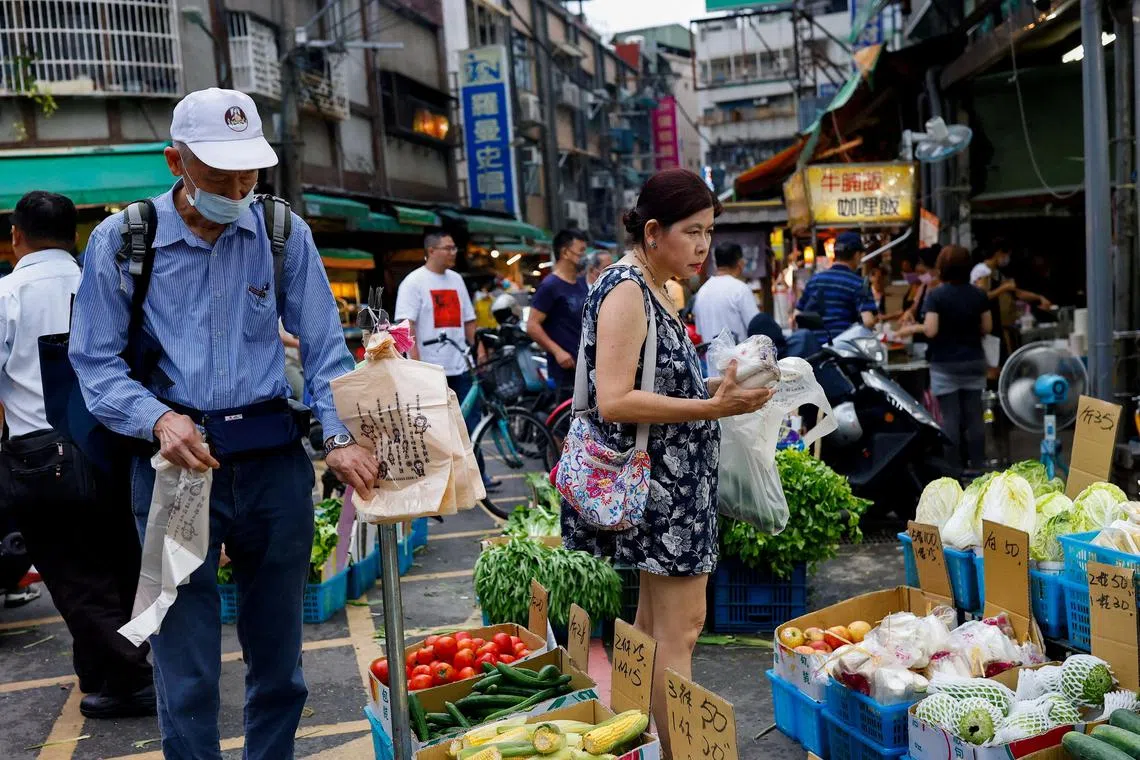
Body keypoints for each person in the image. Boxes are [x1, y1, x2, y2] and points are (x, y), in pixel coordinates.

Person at [70, 88, 378, 757]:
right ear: (174, 160)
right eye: (218, 177)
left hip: (273, 464)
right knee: (186, 668)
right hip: (174, 470)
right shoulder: (123, 241)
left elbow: (325, 348)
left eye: (248, 174)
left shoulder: (281, 231)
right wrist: (158, 419)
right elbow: (93, 363)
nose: (237, 191)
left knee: (281, 662)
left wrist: (338, 436)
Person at [561, 168, 772, 758]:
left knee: (656, 629)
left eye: (709, 232)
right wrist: (712, 405)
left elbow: (655, 383)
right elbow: (614, 398)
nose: (704, 245)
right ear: (653, 232)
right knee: (682, 629)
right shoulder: (629, 289)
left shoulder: (657, 286)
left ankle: (647, 741)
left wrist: (718, 390)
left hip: (671, 484)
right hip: (661, 491)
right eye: (692, 231)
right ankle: (680, 751)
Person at [1, 191, 156, 718]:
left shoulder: (8, 294)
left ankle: (132, 679)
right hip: (113, 446)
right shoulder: (104, 283)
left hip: (40, 457)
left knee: (74, 578)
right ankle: (104, 674)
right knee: (120, 563)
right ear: (75, 236)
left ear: (16, 236)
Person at [899, 245, 992, 469]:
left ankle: (953, 470)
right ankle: (978, 467)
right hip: (973, 361)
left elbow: (931, 330)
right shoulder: (979, 295)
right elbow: (987, 327)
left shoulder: (936, 296)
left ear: (942, 268)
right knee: (974, 417)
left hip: (945, 363)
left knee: (950, 418)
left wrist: (913, 328)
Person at [395, 231, 478, 426]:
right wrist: (415, 365)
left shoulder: (457, 279)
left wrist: (477, 351)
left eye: (454, 248)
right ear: (431, 251)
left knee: (470, 425)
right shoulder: (413, 282)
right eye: (448, 248)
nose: (453, 252)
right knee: (439, 428)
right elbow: (406, 326)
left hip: (461, 365)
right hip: (430, 370)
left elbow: (469, 320)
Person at [526, 229, 589, 394]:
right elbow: (532, 326)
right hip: (565, 371)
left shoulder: (581, 283)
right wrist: (558, 352)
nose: (585, 256)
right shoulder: (550, 286)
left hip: (585, 366)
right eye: (581, 251)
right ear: (565, 252)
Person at [971, 237, 1052, 352]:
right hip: (987, 326)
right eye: (1007, 255)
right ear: (999, 253)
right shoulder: (982, 270)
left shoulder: (997, 273)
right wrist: (1003, 288)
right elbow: (982, 297)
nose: (1007, 259)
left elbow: (1017, 293)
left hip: (999, 325)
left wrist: (1039, 298)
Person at [795, 231, 878, 343]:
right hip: (843, 348)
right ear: (857, 255)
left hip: (813, 347)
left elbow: (797, 315)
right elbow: (868, 321)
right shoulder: (859, 284)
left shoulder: (814, 280)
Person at [691, 242, 760, 344]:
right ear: (740, 263)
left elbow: (699, 331)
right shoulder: (740, 289)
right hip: (739, 353)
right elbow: (756, 326)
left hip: (709, 353)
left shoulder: (702, 292)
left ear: (715, 264)